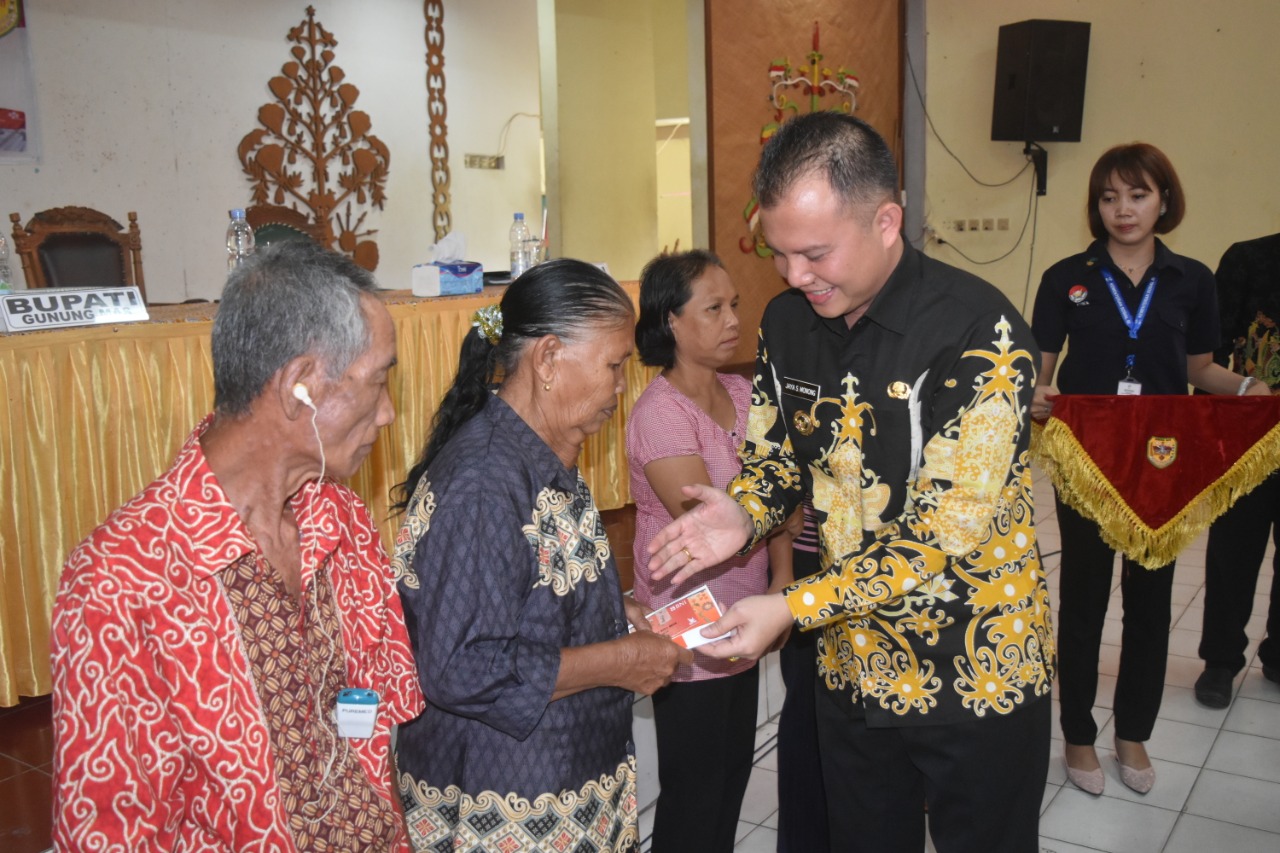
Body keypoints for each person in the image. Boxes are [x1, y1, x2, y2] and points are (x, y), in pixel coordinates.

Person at [646, 111, 1055, 853]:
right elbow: (776, 458)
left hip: (973, 663)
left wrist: (790, 606)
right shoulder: (788, 323)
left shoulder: (980, 333)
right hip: (853, 662)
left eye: (815, 253)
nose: (794, 276)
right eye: (780, 254)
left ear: (886, 222)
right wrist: (743, 513)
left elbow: (941, 533)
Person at [50, 240, 426, 851]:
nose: (387, 414)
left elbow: (374, 732)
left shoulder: (339, 519)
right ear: (301, 385)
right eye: (379, 380)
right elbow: (111, 830)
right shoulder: (121, 579)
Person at [390, 258, 690, 853]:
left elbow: (529, 597)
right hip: (501, 794)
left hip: (569, 777)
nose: (621, 386)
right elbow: (460, 666)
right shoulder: (483, 483)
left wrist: (611, 614)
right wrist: (616, 659)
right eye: (614, 366)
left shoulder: (544, 449)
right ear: (549, 359)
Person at [1029, 142, 1271, 795]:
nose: (1123, 209)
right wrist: (1035, 395)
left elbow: (1200, 370)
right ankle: (1078, 735)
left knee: (1151, 603)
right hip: (1088, 464)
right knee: (1083, 599)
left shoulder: (1192, 279)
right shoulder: (1066, 277)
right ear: (1096, 206)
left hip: (1164, 462)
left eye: (1138, 195)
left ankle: (1133, 732)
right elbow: (1040, 373)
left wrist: (1248, 390)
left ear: (1164, 200)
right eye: (1109, 197)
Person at [627, 250, 793, 853]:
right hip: (687, 617)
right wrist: (773, 506)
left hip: (746, 608)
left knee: (731, 777)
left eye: (735, 305)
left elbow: (785, 501)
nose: (733, 321)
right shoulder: (660, 414)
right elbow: (706, 530)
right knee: (694, 790)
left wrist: (781, 584)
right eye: (714, 308)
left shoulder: (743, 391)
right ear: (671, 321)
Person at [1193, 232, 1280, 708]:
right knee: (1234, 551)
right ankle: (1221, 661)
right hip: (1248, 437)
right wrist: (1206, 437)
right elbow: (1209, 352)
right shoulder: (1249, 259)